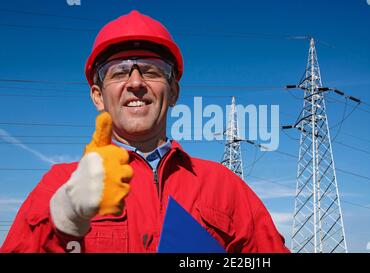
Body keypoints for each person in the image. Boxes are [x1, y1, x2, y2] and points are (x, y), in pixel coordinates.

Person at [0, 10, 289, 253]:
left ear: (173, 92)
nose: (136, 82)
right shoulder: (60, 184)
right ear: (98, 96)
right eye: (119, 71)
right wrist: (61, 222)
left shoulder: (224, 186)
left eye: (151, 70)